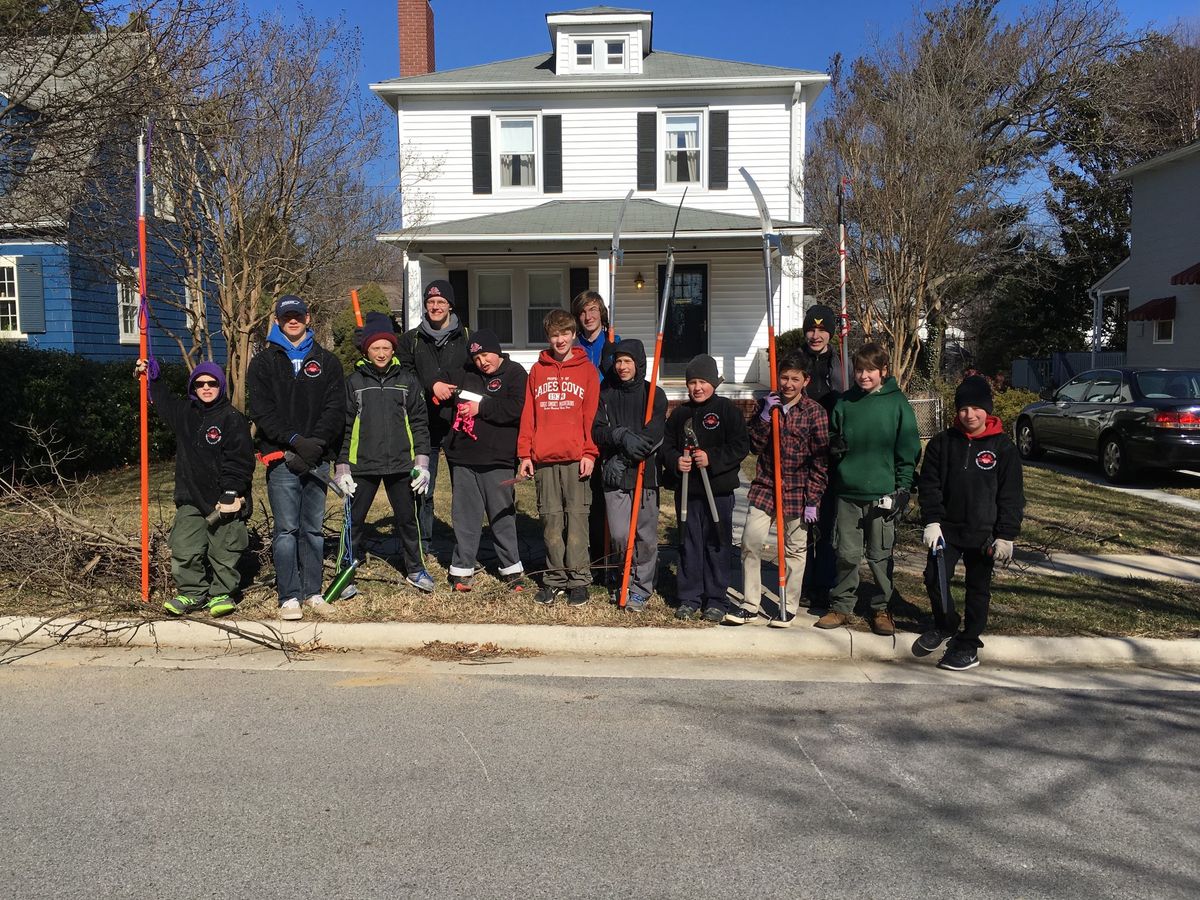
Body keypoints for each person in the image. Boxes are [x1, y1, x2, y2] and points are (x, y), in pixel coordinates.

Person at [246, 294, 345, 621]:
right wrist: (293, 441)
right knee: (286, 530)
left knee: (313, 529)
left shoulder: (328, 362)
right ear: (277, 320)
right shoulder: (263, 363)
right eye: (287, 316)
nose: (293, 320)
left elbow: (335, 409)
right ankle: (289, 596)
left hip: (317, 456)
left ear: (308, 319)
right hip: (281, 457)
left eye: (298, 315)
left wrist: (315, 444)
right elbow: (262, 409)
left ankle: (313, 592)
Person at [915, 375, 1024, 671]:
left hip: (984, 533)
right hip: (947, 530)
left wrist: (1006, 535)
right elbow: (930, 485)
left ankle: (969, 643)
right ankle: (946, 623)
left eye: (976, 408)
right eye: (964, 408)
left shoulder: (1003, 448)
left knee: (978, 589)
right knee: (933, 578)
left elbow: (1012, 495)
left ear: (987, 410)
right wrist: (932, 521)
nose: (970, 415)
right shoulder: (942, 443)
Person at [136, 359, 254, 618]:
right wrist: (152, 377)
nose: (206, 387)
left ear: (220, 386)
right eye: (200, 384)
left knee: (224, 550)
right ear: (193, 387)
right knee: (184, 547)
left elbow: (241, 460)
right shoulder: (185, 413)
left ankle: (222, 593)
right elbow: (164, 402)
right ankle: (192, 593)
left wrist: (232, 493)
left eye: (212, 383)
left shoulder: (232, 419)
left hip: (225, 499)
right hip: (191, 496)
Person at [819, 342, 920, 635]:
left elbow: (908, 448)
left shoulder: (896, 403)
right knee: (847, 554)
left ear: (883, 371)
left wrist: (903, 486)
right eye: (859, 370)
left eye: (870, 370)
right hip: (848, 492)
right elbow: (832, 433)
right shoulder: (846, 402)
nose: (864, 376)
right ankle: (841, 606)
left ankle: (881, 608)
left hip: (882, 493)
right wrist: (833, 445)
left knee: (879, 554)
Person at [334, 312, 434, 594]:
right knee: (353, 520)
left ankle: (415, 568)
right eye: (375, 348)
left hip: (402, 464)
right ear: (366, 349)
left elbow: (419, 424)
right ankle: (346, 573)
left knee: (408, 519)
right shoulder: (354, 382)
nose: (381, 353)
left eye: (386, 347)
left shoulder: (407, 381)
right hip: (362, 465)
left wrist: (422, 463)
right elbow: (344, 427)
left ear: (393, 349)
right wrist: (342, 467)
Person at [731, 354, 829, 627]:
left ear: (805, 381)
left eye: (794, 379)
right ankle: (750, 603)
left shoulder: (815, 412)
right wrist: (763, 417)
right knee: (750, 541)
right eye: (784, 377)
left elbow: (820, 460)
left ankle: (788, 606)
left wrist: (814, 499)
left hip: (798, 490)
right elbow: (755, 447)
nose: (788, 384)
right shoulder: (766, 405)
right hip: (766, 486)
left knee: (795, 550)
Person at [517, 309, 600, 606]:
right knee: (551, 520)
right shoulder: (538, 371)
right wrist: (525, 453)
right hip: (544, 459)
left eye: (565, 333)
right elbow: (529, 414)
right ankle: (553, 578)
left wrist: (590, 452)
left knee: (577, 519)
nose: (560, 339)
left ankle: (578, 579)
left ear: (574, 335)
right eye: (555, 334)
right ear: (548, 337)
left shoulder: (587, 370)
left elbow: (591, 416)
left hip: (576, 457)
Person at [662, 354, 750, 622]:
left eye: (702, 381)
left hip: (718, 492)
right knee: (689, 543)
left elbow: (740, 446)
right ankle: (689, 597)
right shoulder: (680, 415)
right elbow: (665, 446)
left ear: (713, 382)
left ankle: (716, 598)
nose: (697, 387)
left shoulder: (727, 410)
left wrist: (712, 458)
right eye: (692, 382)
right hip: (689, 493)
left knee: (717, 543)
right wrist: (675, 460)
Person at [442, 328, 529, 593]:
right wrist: (436, 384)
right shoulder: (466, 373)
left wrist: (483, 408)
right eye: (477, 358)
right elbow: (440, 380)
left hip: (498, 459)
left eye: (486, 355)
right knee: (465, 517)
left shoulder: (514, 374)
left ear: (497, 351)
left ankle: (512, 569)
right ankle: (462, 570)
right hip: (464, 458)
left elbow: (518, 408)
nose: (483, 362)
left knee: (502, 516)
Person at [592, 338, 667, 612]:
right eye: (618, 361)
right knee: (621, 536)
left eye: (628, 361)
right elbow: (596, 430)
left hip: (644, 475)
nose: (622, 367)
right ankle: (624, 575)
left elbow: (652, 436)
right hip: (614, 477)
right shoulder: (605, 392)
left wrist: (624, 458)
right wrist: (619, 434)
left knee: (645, 537)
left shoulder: (653, 395)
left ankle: (641, 586)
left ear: (639, 363)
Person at [399, 279, 471, 556]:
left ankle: (464, 546)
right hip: (423, 423)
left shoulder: (466, 336)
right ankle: (422, 544)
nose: (436, 306)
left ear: (450, 305)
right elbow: (404, 376)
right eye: (431, 302)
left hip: (459, 423)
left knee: (463, 489)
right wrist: (432, 386)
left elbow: (476, 373)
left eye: (441, 302)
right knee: (422, 487)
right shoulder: (411, 340)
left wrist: (455, 390)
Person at [798, 303, 846, 609]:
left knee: (827, 522)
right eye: (811, 329)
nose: (815, 335)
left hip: (829, 452)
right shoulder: (796, 360)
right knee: (800, 523)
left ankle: (823, 584)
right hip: (800, 452)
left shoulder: (841, 364)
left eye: (822, 330)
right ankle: (801, 580)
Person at [572, 289, 619, 583]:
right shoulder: (573, 346)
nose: (588, 317)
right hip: (578, 424)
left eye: (593, 310)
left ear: (601, 313)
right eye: (583, 312)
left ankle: (608, 560)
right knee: (584, 497)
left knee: (607, 496)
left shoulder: (613, 343)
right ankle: (585, 557)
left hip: (605, 421)